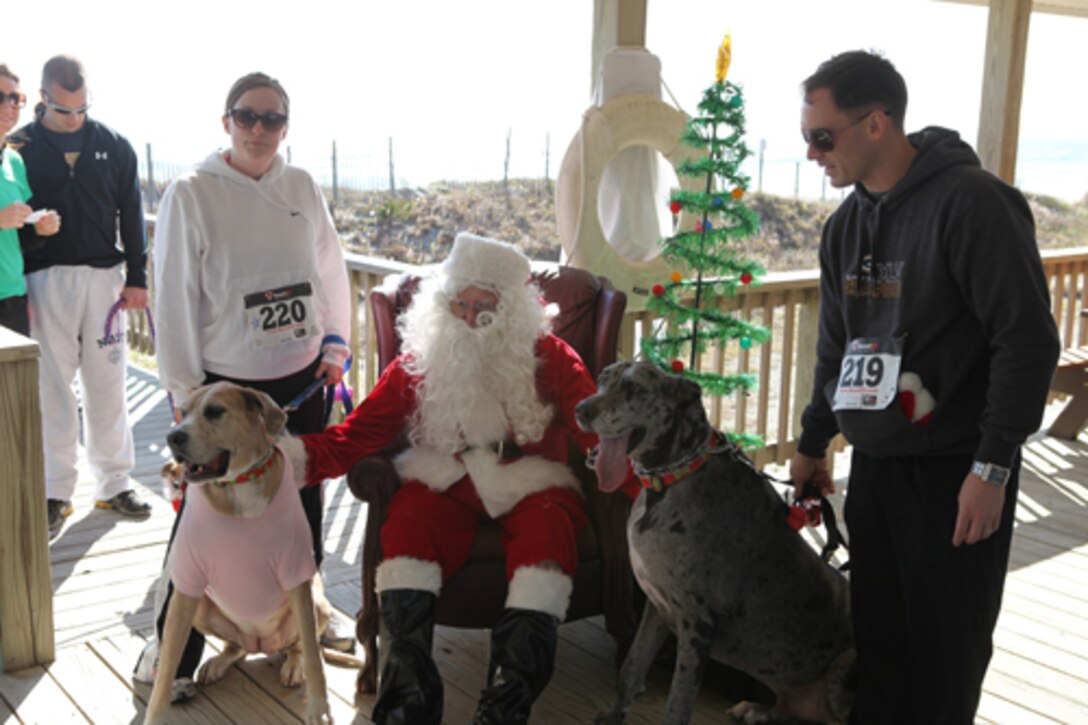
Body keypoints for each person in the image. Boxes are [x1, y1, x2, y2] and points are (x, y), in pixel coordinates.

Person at [789, 50, 1060, 724]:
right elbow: (837, 346)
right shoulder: (844, 227)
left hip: (957, 471)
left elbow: (1026, 341)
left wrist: (992, 466)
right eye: (806, 138)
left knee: (945, 656)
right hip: (876, 468)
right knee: (882, 650)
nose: (813, 153)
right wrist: (813, 440)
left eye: (823, 137)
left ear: (876, 123)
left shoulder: (972, 204)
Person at [302, 232, 631, 724]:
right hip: (445, 477)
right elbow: (359, 432)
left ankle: (504, 708)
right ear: (445, 305)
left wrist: (653, 482)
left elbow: (595, 431)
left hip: (531, 481)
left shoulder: (554, 356)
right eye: (461, 304)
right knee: (407, 526)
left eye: (486, 304)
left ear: (513, 308)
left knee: (548, 536)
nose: (472, 316)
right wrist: (286, 459)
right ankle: (405, 705)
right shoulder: (418, 360)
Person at [145, 71, 355, 695]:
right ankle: (171, 659)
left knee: (302, 507)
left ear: (286, 126)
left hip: (298, 377)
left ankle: (305, 620)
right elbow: (174, 291)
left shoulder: (300, 185)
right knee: (197, 518)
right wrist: (185, 391)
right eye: (247, 116)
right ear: (226, 122)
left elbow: (329, 264)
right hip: (224, 388)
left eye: (273, 119)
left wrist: (336, 340)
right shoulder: (193, 192)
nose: (260, 130)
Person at [10, 55, 151, 538]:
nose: (74, 119)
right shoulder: (19, 148)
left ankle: (115, 482)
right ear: (44, 97)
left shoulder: (114, 144)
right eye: (64, 110)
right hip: (45, 278)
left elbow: (132, 213)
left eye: (82, 109)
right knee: (54, 388)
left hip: (105, 279)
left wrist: (139, 277)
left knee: (107, 382)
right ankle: (56, 490)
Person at [0, 64, 60, 335]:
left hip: (12, 296)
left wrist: (38, 228)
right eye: (0, 97)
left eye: (15, 98)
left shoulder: (14, 160)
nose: (9, 105)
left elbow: (17, 237)